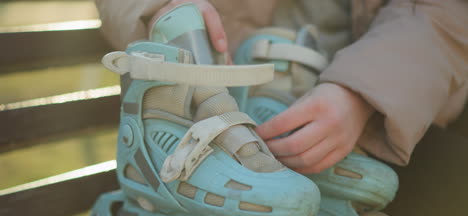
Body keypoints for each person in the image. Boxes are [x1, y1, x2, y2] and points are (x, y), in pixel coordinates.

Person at [95, 0, 467, 174]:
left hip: (393, 114)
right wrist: (166, 8)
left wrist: (363, 91)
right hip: (219, 87)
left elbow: (447, 12)